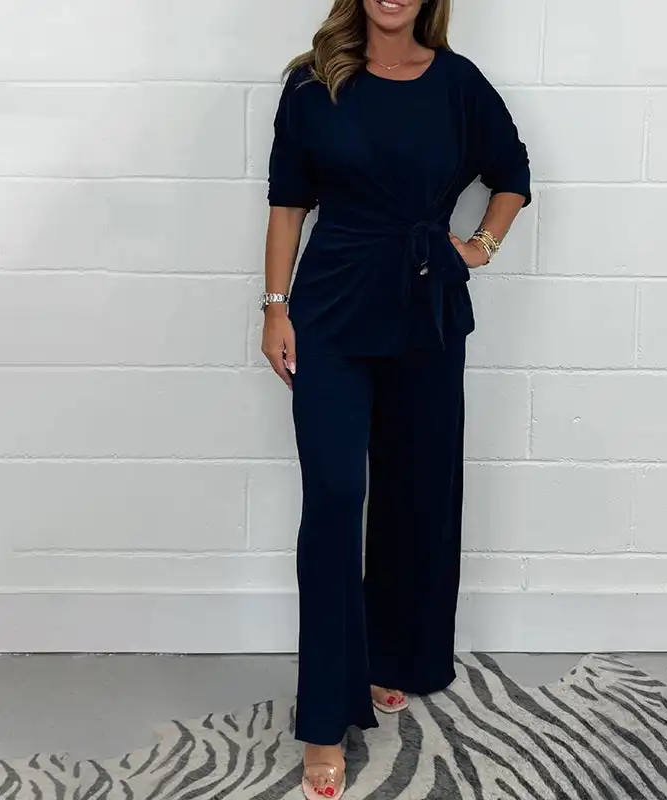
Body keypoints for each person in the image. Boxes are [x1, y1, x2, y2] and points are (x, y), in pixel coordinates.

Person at [261, 0, 531, 796]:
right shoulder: (314, 83)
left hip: (425, 312)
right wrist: (274, 308)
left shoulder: (459, 84)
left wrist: (478, 246)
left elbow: (512, 175)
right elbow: (287, 202)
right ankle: (324, 718)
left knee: (416, 496)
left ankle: (390, 655)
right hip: (331, 315)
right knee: (336, 497)